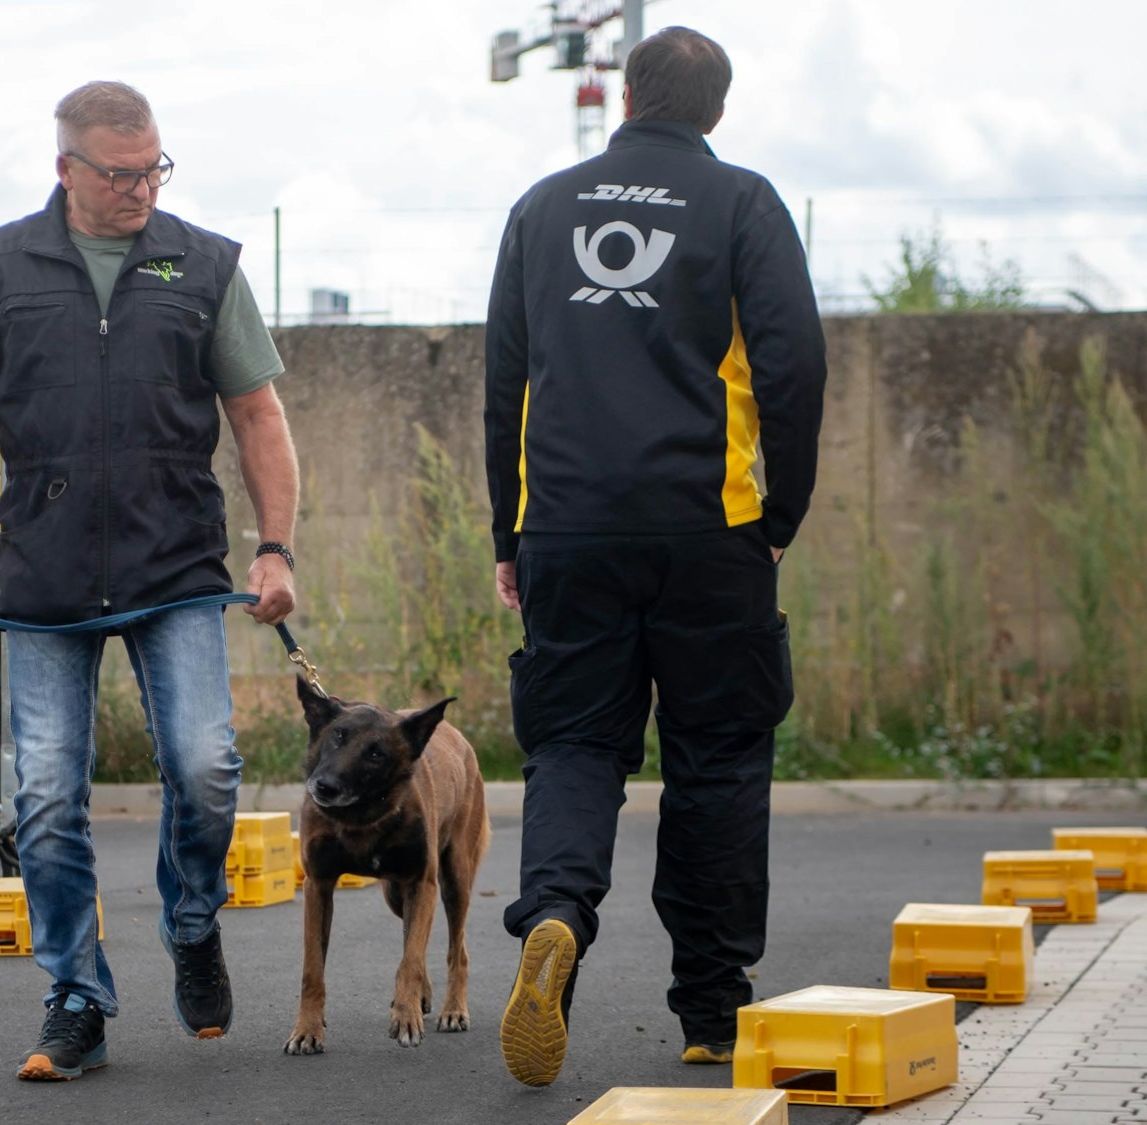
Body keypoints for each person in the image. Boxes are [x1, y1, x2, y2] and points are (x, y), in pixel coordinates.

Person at [0, 80, 300, 1082]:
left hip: (174, 566)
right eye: (119, 174)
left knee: (204, 767)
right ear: (66, 169)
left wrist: (274, 545)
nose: (140, 190)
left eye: (154, 168)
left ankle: (190, 922)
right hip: (43, 572)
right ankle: (75, 994)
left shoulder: (202, 263)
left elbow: (256, 416)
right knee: (41, 796)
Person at [482, 27, 826, 1087]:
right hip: (708, 528)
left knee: (575, 748)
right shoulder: (742, 204)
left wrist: (509, 530)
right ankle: (713, 1011)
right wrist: (781, 512)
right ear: (714, 113)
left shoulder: (541, 208)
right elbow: (792, 364)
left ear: (626, 95)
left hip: (567, 530)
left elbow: (503, 379)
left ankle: (552, 918)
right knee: (715, 757)